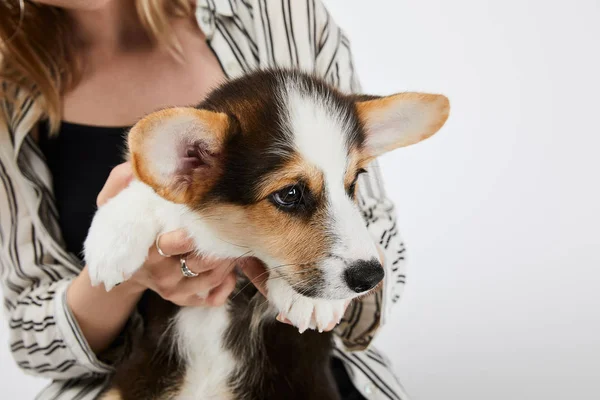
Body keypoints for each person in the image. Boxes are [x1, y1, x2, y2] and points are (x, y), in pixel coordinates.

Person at [0, 1, 410, 399]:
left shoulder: (279, 13)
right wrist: (126, 276)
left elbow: (376, 253)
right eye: (290, 192)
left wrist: (310, 282)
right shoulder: (8, 92)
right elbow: (32, 338)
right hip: (137, 381)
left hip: (299, 378)